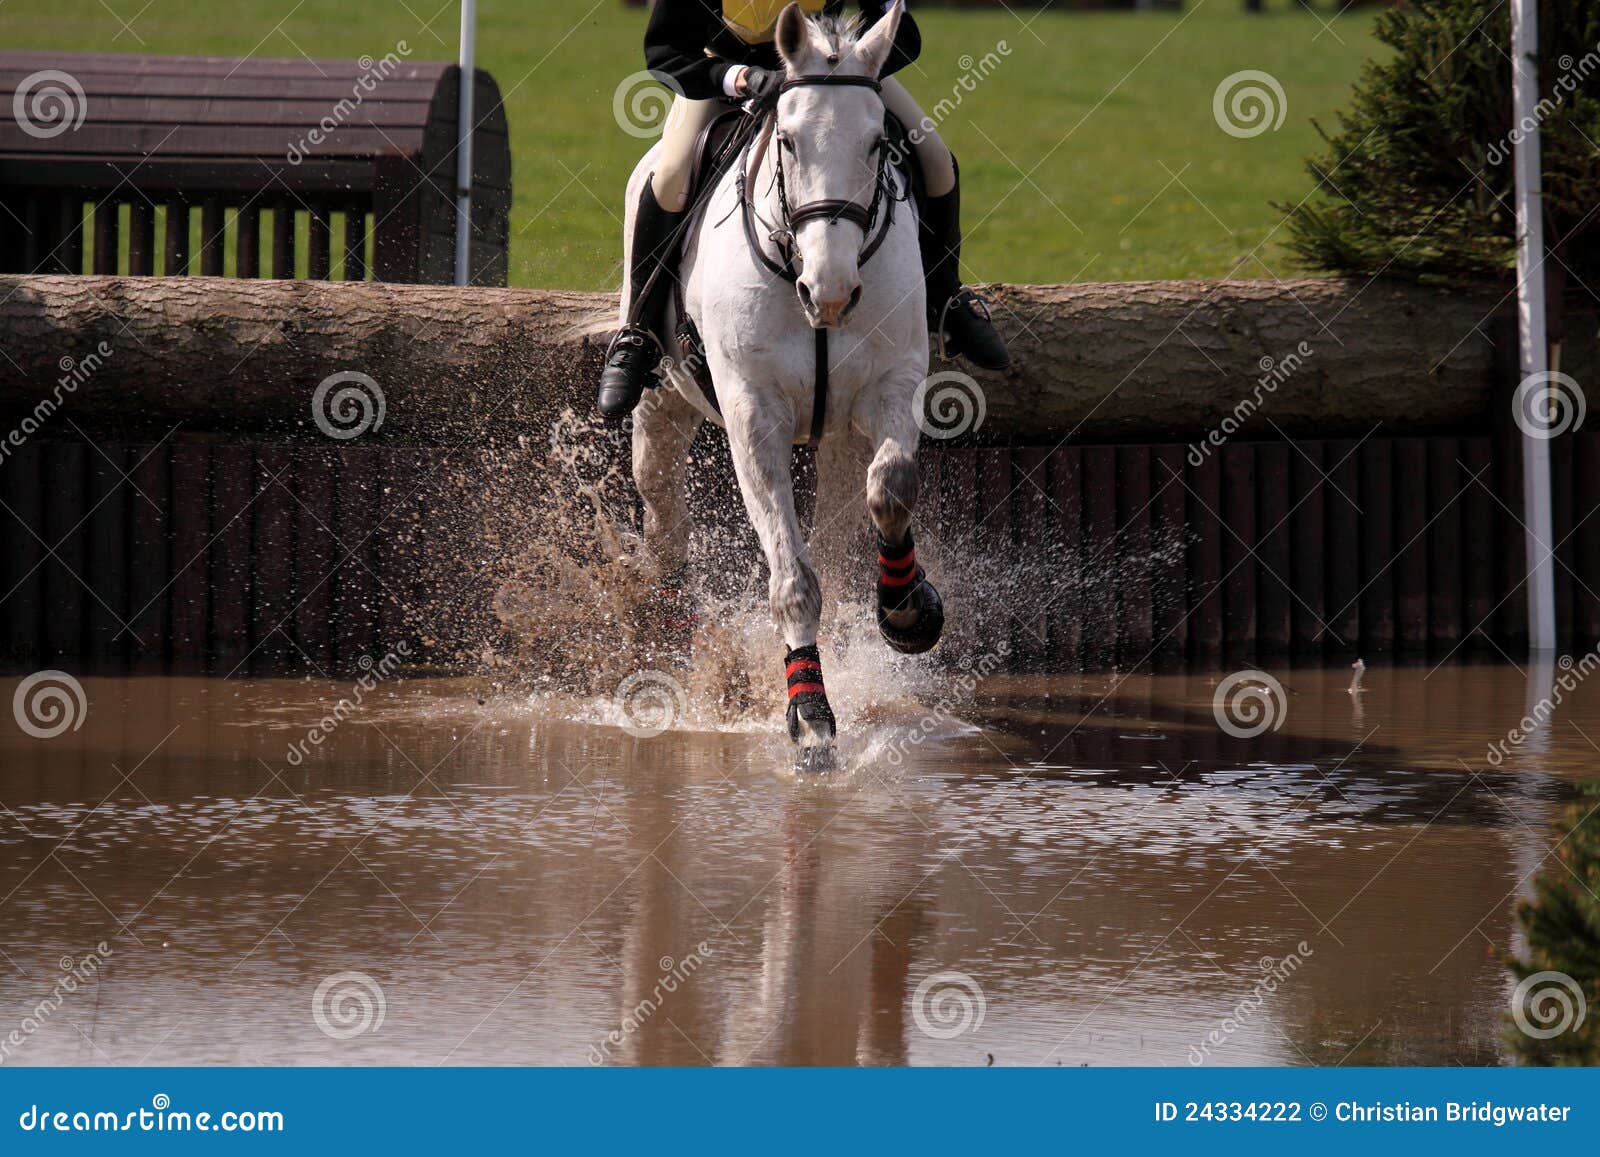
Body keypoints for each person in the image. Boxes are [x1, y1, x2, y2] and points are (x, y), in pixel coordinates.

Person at [596, 0, 1011, 419]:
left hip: (833, 75)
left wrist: (847, 69)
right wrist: (737, 77)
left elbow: (901, 33)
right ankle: (638, 333)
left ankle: (947, 299)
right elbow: (665, 51)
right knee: (669, 176)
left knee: (936, 159)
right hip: (725, 77)